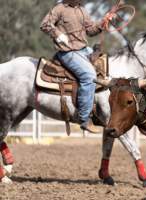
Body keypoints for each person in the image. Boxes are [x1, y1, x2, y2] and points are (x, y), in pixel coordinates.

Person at [40, 0, 102, 133]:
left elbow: (91, 30)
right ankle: (84, 118)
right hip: (67, 53)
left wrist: (103, 22)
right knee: (89, 76)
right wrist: (58, 34)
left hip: (84, 50)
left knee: (106, 64)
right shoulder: (59, 9)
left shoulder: (82, 10)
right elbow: (45, 24)